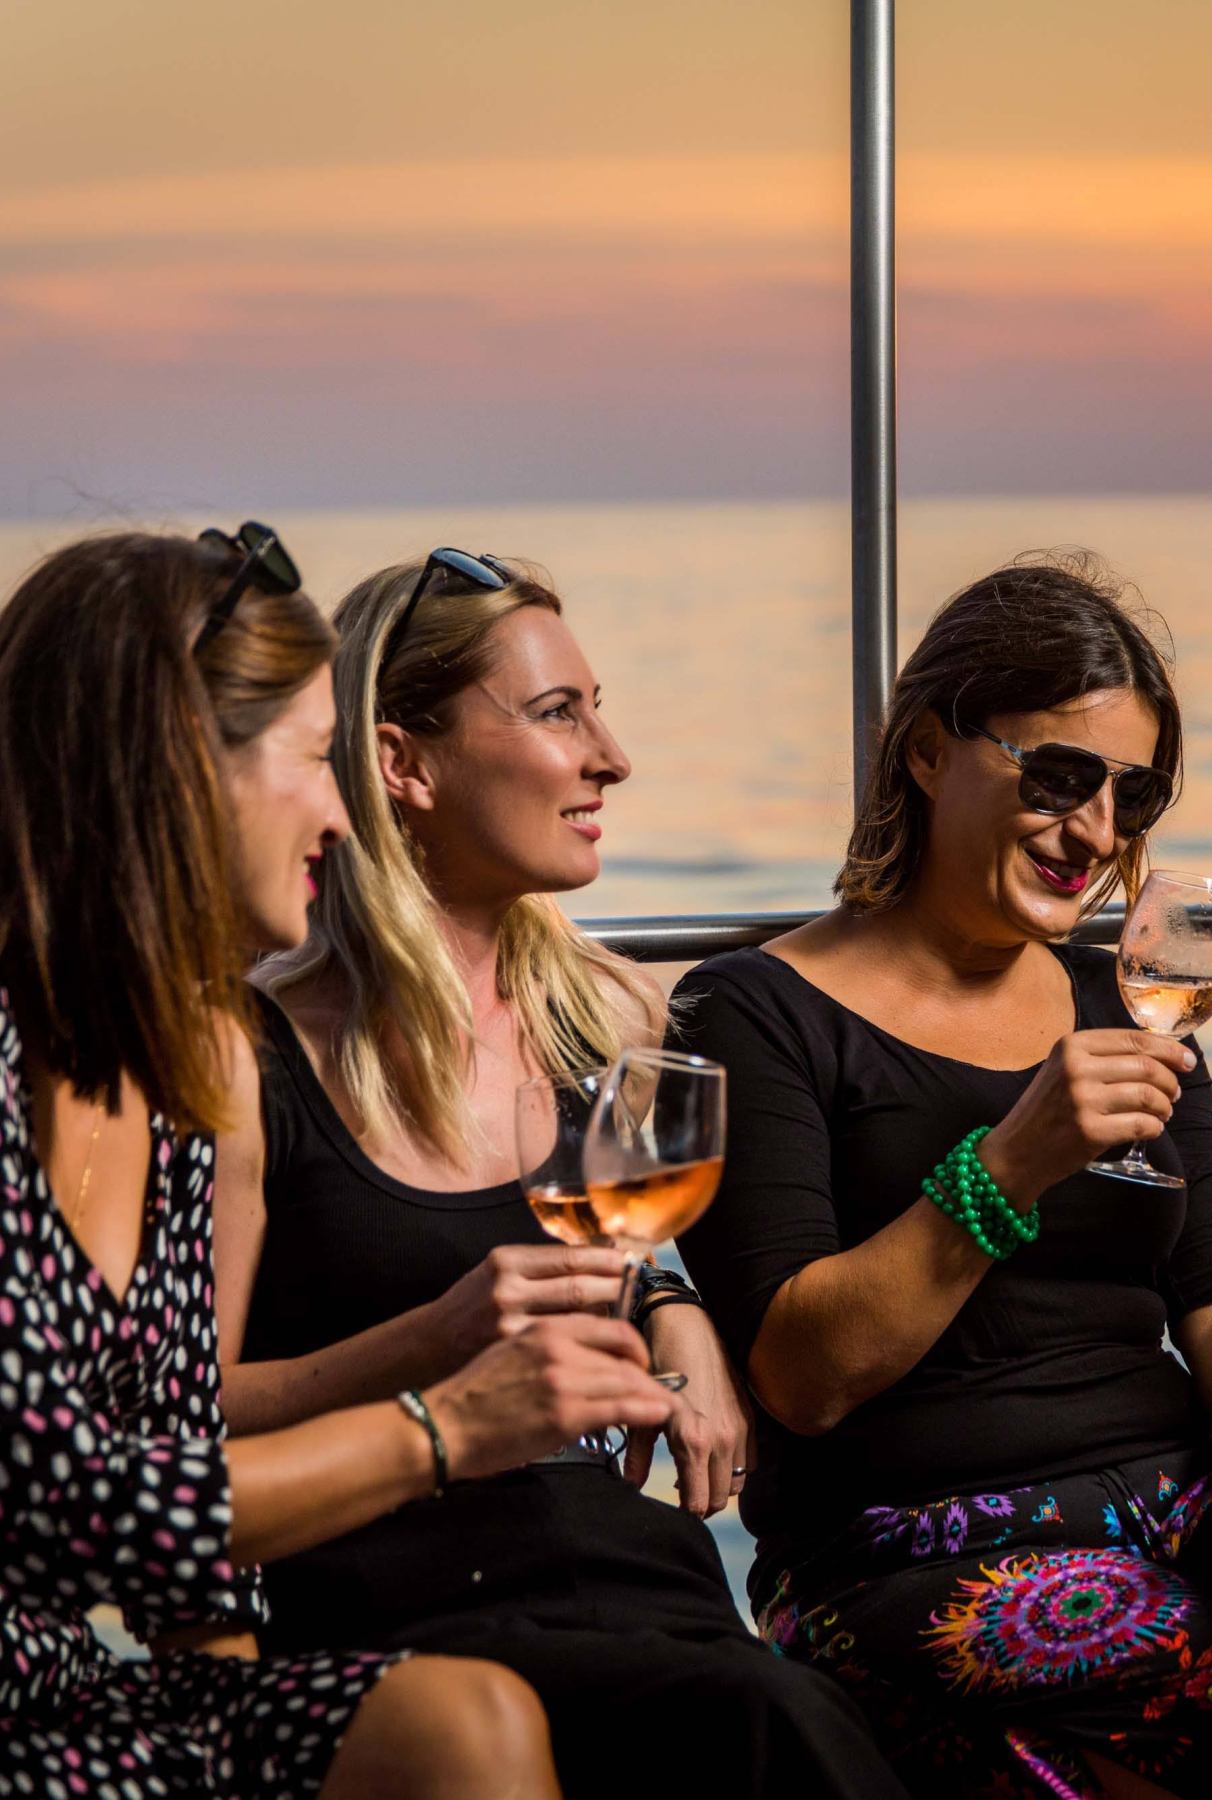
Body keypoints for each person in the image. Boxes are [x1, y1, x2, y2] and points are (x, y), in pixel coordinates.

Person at [0, 527, 683, 1799]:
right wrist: (444, 1429)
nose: (342, 810)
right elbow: (55, 1509)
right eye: (307, 761)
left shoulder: (167, 1052)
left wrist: (222, 1698)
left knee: (469, 1723)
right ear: (174, 772)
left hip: (53, 1682)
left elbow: (178, 1455)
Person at [671, 554, 1212, 1799]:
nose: (1094, 830)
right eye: (1059, 776)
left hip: (1175, 1490)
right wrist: (1011, 1163)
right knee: (1187, 1644)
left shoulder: (1127, 1004)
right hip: (907, 1541)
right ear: (929, 751)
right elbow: (801, 1377)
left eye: (1129, 797)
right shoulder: (755, 1012)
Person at [212, 547, 909, 1800]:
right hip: (403, 1603)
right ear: (400, 763)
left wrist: (677, 1314)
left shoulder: (616, 1025)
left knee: (782, 1703)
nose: (611, 756)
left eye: (597, 708)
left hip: (641, 1574)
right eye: (556, 713)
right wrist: (431, 1345)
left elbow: (624, 1258)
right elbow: (178, 1427)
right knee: (770, 1722)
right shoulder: (254, 1063)